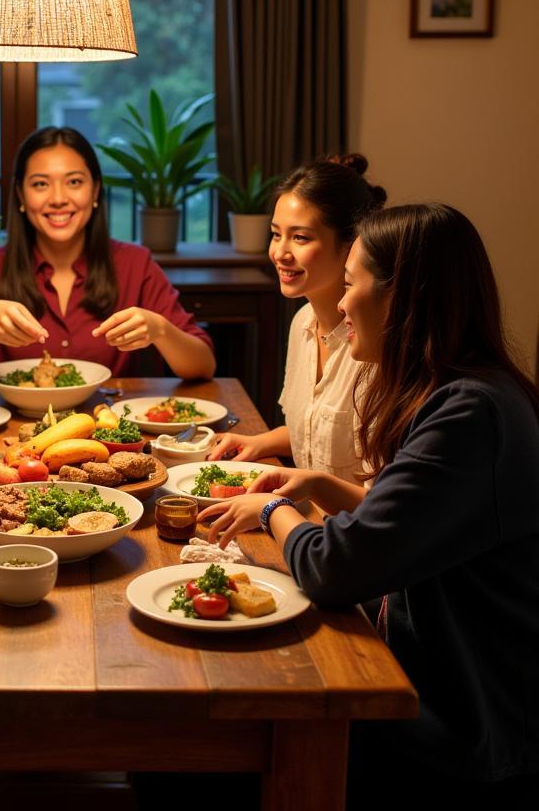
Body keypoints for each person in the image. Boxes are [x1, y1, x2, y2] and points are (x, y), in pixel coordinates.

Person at [199, 204, 539, 805]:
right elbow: (403, 521)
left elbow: (338, 567)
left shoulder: (469, 416)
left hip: (459, 723)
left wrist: (275, 512)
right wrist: (318, 484)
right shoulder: (456, 391)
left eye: (351, 283)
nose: (341, 306)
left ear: (403, 296)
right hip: (423, 677)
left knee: (207, 741)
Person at [0, 127, 215, 383]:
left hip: (108, 432)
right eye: (40, 184)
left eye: (74, 182)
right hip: (13, 438)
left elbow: (203, 367)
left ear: (96, 190)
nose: (59, 199)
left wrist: (161, 330)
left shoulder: (135, 264)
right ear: (21, 196)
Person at [208, 155, 385, 482]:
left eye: (301, 237)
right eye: (276, 234)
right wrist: (259, 442)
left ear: (351, 244)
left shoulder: (375, 346)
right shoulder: (303, 321)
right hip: (305, 518)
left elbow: (382, 495)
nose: (280, 253)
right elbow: (313, 430)